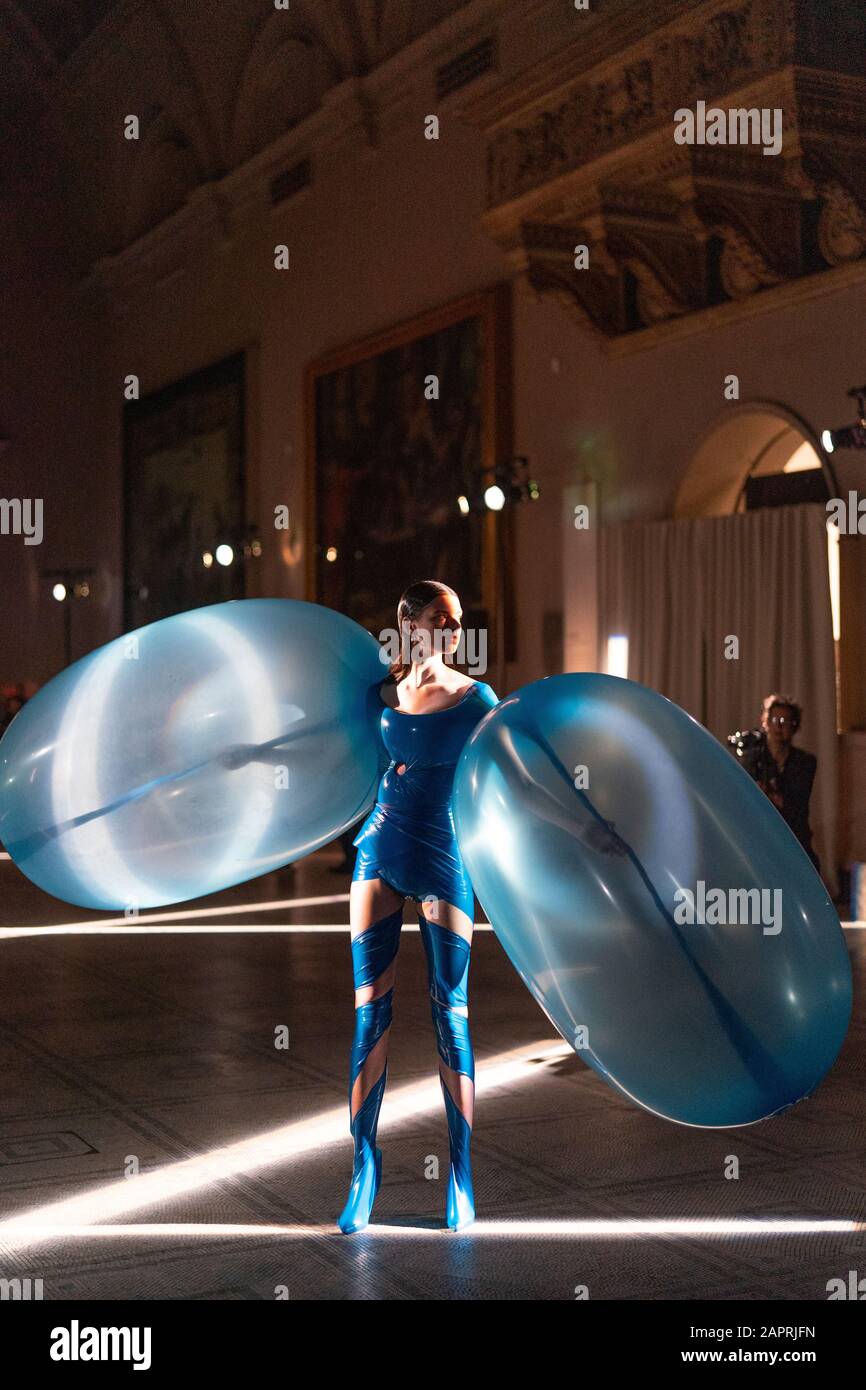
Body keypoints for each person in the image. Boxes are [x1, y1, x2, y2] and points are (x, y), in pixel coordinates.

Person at [339, 579, 498, 1233]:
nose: (456, 630)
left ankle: (460, 1180)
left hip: (446, 857)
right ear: (410, 622)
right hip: (378, 850)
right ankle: (363, 1172)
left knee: (450, 1013)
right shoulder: (377, 699)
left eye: (460, 621)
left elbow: (504, 776)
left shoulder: (476, 699)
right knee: (369, 1013)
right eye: (443, 618)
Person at [739, 693, 819, 872]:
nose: (778, 726)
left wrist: (768, 795)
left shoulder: (804, 761)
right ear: (765, 722)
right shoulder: (753, 759)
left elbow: (796, 802)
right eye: (774, 720)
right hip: (760, 835)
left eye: (784, 721)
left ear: (794, 726)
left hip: (793, 834)